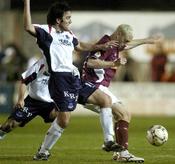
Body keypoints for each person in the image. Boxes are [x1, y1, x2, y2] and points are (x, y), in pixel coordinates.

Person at [23, 0, 119, 160]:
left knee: (105, 100)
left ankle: (109, 141)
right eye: (68, 18)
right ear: (58, 20)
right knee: (64, 120)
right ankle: (43, 152)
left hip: (74, 78)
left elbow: (80, 45)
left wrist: (101, 47)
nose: (70, 21)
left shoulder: (69, 34)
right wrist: (26, 3)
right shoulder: (46, 31)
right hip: (59, 80)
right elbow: (27, 27)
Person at [82, 24, 161, 162]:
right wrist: (113, 64)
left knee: (122, 115)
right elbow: (90, 62)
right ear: (118, 35)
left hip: (100, 87)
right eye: (125, 40)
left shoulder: (116, 43)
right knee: (123, 114)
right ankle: (122, 153)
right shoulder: (106, 43)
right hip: (93, 87)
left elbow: (128, 45)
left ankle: (118, 151)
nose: (125, 44)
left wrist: (147, 40)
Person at [0, 58, 57, 139]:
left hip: (50, 103)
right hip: (32, 102)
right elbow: (24, 81)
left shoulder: (63, 67)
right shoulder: (40, 64)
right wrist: (20, 99)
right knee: (10, 125)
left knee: (61, 117)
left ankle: (44, 149)